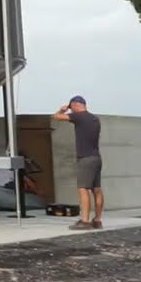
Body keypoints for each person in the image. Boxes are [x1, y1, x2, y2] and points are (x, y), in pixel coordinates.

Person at [54, 95, 103, 230]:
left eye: (71, 107)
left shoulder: (78, 116)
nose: (71, 111)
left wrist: (62, 110)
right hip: (96, 157)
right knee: (97, 189)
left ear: (75, 104)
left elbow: (56, 117)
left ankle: (85, 221)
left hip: (85, 158)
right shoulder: (95, 119)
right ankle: (98, 220)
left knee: (83, 189)